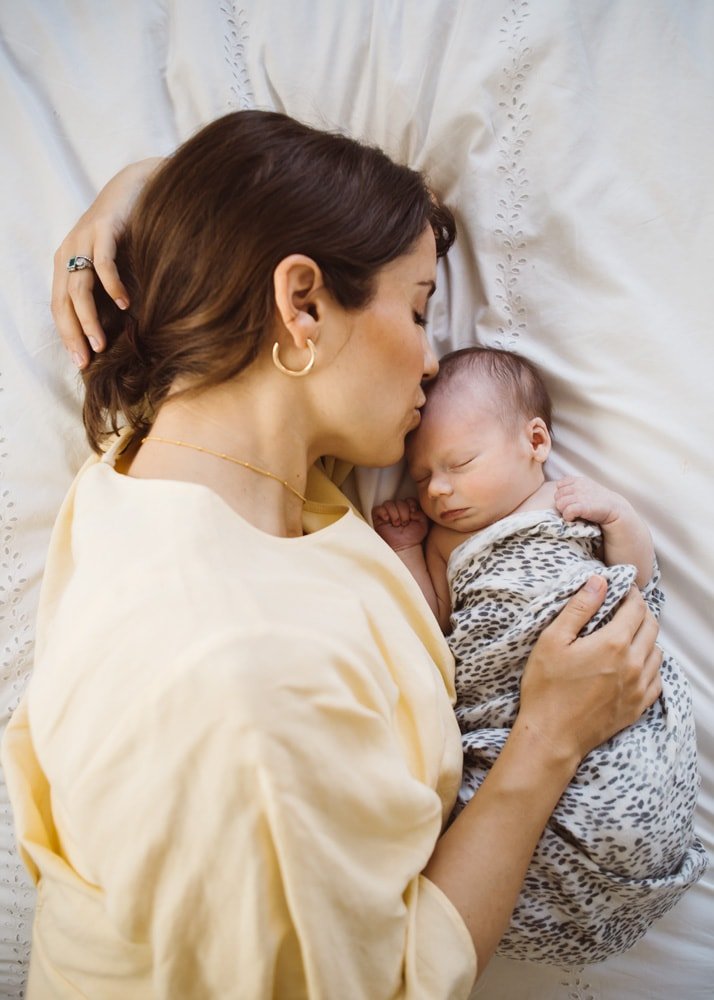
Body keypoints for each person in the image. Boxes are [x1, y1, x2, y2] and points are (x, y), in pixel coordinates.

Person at [1, 111, 663, 1000]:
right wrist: (548, 740)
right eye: (421, 308)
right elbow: (390, 983)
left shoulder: (166, 464)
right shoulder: (241, 690)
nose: (434, 361)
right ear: (303, 304)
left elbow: (354, 220)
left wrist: (142, 188)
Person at [373, 346, 708, 967]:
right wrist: (407, 551)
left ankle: (639, 843)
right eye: (421, 479)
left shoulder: (565, 504)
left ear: (535, 441)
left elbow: (635, 578)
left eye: (460, 464)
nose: (439, 489)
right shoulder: (446, 541)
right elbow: (435, 621)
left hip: (616, 707)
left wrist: (619, 513)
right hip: (505, 708)